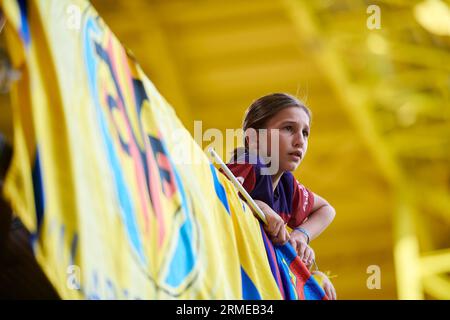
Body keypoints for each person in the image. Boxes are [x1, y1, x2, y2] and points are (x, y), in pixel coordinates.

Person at [223, 93, 337, 299]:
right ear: (254, 138)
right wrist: (259, 206)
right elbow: (219, 196)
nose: (300, 141)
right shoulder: (247, 164)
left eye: (305, 133)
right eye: (288, 128)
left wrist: (301, 236)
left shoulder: (287, 184)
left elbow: (327, 209)